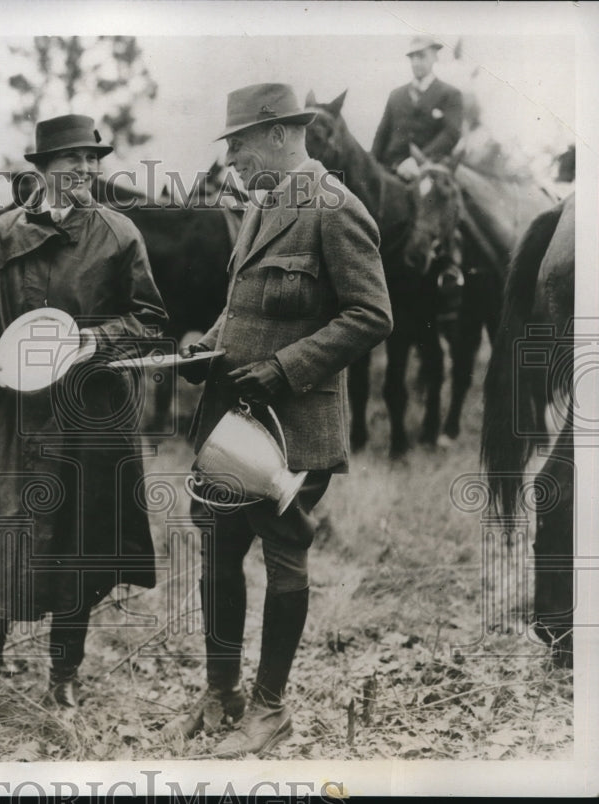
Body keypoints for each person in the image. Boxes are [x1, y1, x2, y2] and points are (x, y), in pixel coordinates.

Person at [167, 83, 393, 756]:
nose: (230, 157)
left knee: (284, 553)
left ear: (277, 134)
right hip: (232, 422)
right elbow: (244, 309)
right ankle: (221, 693)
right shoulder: (262, 208)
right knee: (218, 552)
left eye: (237, 143)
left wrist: (287, 367)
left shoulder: (334, 208)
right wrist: (203, 344)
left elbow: (371, 315)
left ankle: (270, 709)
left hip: (294, 424)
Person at [0, 114, 168, 722]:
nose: (85, 170)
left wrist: (90, 343)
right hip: (12, 417)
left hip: (88, 417)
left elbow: (150, 322)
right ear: (42, 170)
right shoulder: (0, 235)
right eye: (71, 159)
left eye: (93, 159)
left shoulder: (119, 234)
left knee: (80, 543)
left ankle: (63, 678)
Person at [372, 35, 464, 180]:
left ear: (434, 57)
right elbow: (382, 134)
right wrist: (371, 166)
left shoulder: (450, 94)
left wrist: (417, 161)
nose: (415, 62)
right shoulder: (396, 95)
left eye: (421, 56)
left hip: (428, 171)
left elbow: (451, 134)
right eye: (412, 57)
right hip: (390, 169)